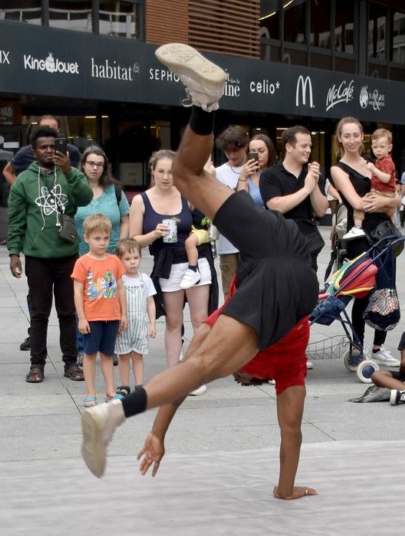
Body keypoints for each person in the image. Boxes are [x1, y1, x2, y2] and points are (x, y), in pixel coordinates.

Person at [80, 43, 319, 502]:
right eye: (246, 376)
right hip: (288, 267)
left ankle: (209, 102)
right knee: (188, 173)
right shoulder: (283, 358)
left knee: (186, 175)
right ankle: (205, 101)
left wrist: (160, 432)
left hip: (275, 239)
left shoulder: (262, 339)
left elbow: (192, 371)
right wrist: (284, 490)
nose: (241, 375)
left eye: (242, 374)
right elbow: (290, 432)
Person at [6, 125, 91, 383]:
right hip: (37, 258)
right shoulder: (24, 180)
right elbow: (16, 219)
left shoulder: (70, 173)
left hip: (67, 255)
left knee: (67, 312)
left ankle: (70, 363)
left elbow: (86, 197)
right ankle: (37, 365)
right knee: (40, 313)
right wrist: (14, 253)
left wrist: (68, 171)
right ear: (34, 151)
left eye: (53, 147)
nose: (49, 151)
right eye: (43, 147)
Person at [128, 150, 213, 388]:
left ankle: (197, 373)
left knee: (200, 319)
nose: (166, 177)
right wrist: (153, 234)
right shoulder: (140, 200)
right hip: (167, 264)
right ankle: (174, 374)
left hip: (194, 260)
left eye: (171, 172)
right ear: (152, 171)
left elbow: (205, 220)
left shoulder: (186, 193)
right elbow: (133, 241)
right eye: (161, 171)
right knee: (174, 321)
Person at [329, 117, 403, 369]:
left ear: (363, 137)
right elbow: (358, 203)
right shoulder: (338, 169)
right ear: (340, 138)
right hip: (358, 236)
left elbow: (397, 200)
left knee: (387, 290)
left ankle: (379, 347)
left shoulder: (375, 164)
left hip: (383, 233)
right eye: (346, 135)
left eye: (355, 135)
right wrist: (387, 202)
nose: (351, 140)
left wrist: (387, 202)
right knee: (363, 291)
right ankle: (356, 348)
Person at [72, 214, 127, 408]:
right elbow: (78, 292)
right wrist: (82, 318)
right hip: (92, 317)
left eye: (105, 238)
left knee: (108, 354)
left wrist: (123, 314)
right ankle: (90, 392)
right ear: (86, 238)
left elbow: (120, 288)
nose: (102, 243)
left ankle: (111, 391)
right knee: (89, 354)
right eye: (97, 238)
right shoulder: (82, 263)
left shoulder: (114, 261)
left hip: (111, 316)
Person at [259, 125, 329, 270]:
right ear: (289, 147)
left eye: (310, 146)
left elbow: (321, 210)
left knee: (308, 288)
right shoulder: (270, 175)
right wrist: (306, 189)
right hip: (280, 244)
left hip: (308, 245)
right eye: (303, 146)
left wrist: (314, 183)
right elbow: (276, 206)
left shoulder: (312, 175)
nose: (308, 150)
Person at [212, 126, 261, 293]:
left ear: (245, 146)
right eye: (228, 151)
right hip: (228, 243)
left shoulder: (259, 170)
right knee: (230, 294)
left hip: (254, 241)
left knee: (255, 292)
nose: (232, 155)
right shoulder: (218, 173)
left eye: (236, 150)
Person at [113, 238, 156, 397]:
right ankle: (124, 385)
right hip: (123, 325)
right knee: (123, 356)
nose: (132, 262)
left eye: (136, 258)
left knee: (138, 356)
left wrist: (152, 324)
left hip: (140, 324)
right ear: (119, 260)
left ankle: (139, 385)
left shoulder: (144, 279)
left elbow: (150, 302)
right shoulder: (119, 280)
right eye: (128, 259)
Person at [76, 146, 131, 258]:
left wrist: (121, 246)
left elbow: (126, 221)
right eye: (91, 163)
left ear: (104, 167)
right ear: (83, 165)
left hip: (112, 256)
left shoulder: (115, 190)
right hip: (79, 257)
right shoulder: (73, 190)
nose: (95, 168)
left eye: (99, 164)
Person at [2, 115, 82, 186]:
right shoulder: (26, 152)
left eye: (52, 130)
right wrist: (20, 192)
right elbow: (7, 171)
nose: (48, 133)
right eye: (44, 130)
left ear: (58, 131)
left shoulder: (71, 151)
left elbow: (85, 171)